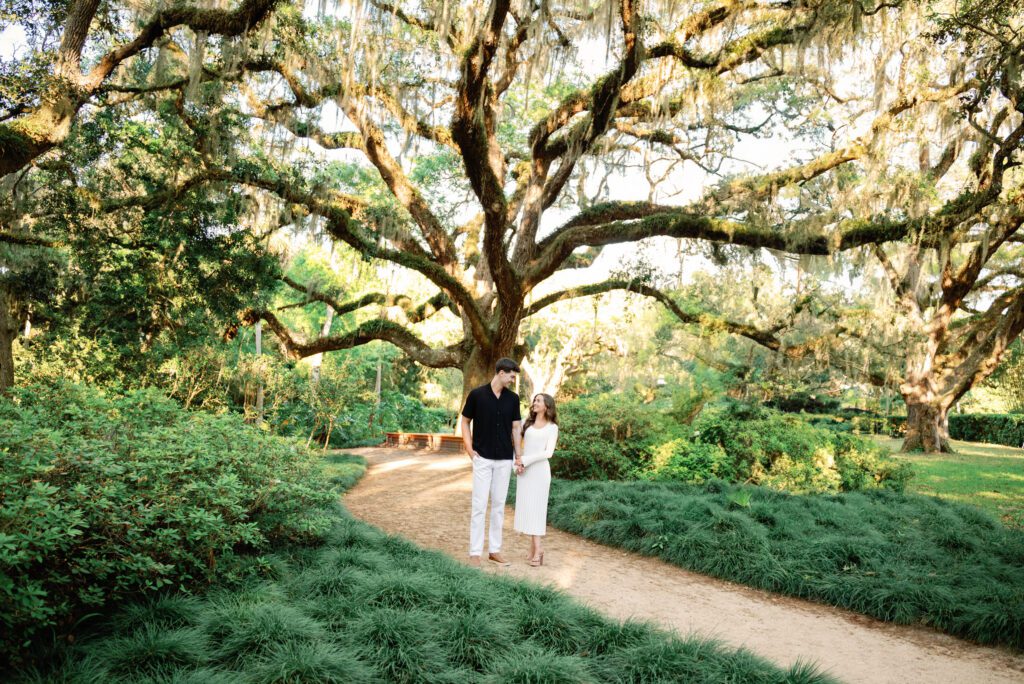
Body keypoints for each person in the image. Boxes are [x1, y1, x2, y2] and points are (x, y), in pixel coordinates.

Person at [460, 358, 523, 567]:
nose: (513, 380)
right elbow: (465, 421)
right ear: (501, 373)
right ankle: (474, 553)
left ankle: (494, 550)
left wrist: (519, 456)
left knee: (498, 506)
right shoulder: (477, 395)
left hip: (505, 459)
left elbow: (516, 429)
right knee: (479, 506)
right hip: (483, 459)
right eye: (512, 376)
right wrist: (469, 449)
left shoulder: (513, 399)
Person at [513, 393, 559, 567]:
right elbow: (518, 445)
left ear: (547, 405)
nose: (535, 402)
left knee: (537, 510)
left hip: (540, 472)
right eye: (535, 400)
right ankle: (533, 549)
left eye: (539, 400)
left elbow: (548, 453)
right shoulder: (528, 423)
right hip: (525, 472)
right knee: (528, 508)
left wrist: (526, 461)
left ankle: (538, 550)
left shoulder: (552, 427)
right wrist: (517, 463)